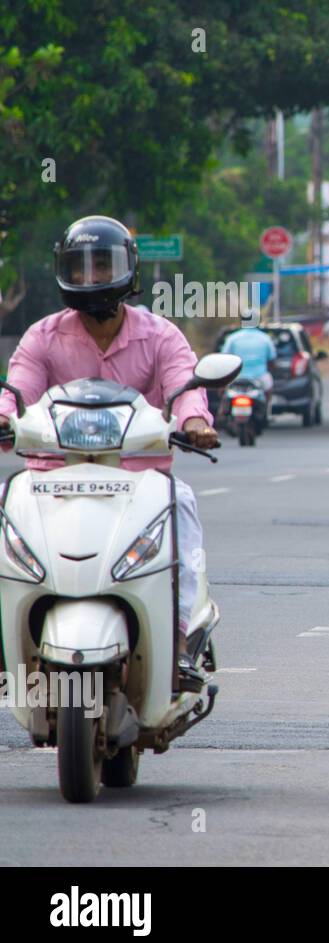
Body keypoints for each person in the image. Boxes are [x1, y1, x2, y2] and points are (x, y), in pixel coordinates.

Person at [0, 215, 219, 684]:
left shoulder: (161, 336)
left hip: (138, 481)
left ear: (128, 271)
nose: (92, 278)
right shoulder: (42, 336)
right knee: (5, 505)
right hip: (49, 479)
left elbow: (184, 386)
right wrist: (3, 416)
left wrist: (195, 421)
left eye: (103, 266)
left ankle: (177, 638)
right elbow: (18, 391)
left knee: (180, 503)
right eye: (81, 268)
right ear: (64, 272)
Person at [221, 318, 277, 395]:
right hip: (260, 378)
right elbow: (272, 361)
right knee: (268, 390)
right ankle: (267, 406)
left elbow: (224, 360)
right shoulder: (265, 338)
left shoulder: (232, 338)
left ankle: (222, 406)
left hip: (235, 379)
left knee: (224, 396)